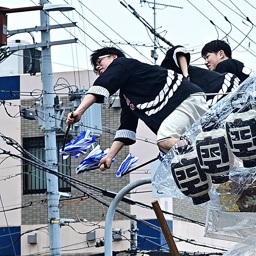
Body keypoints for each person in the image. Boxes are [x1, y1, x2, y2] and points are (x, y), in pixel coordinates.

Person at [65, 47, 207, 170]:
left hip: (185, 99)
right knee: (167, 149)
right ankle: (208, 165)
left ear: (114, 57)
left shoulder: (123, 63)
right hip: (183, 106)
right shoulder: (127, 95)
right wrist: (109, 157)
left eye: (99, 62)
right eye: (95, 68)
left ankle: (205, 149)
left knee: (165, 140)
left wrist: (79, 112)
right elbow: (126, 128)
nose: (97, 68)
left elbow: (102, 85)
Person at [161, 44, 246, 105]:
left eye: (207, 56)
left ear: (221, 54)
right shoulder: (239, 66)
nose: (205, 62)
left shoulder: (224, 67)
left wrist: (186, 75)